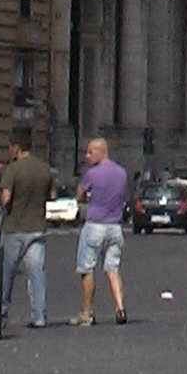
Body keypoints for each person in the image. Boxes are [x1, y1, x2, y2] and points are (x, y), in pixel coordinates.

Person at [0, 126, 56, 331]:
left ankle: (1, 315)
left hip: (14, 228)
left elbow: (5, 199)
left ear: (16, 148)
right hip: (37, 227)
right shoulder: (44, 169)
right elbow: (53, 195)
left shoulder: (12, 169)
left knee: (6, 274)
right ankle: (39, 316)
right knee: (36, 273)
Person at [72, 137, 129, 326]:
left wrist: (87, 196)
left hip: (95, 225)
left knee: (87, 268)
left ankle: (87, 312)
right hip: (115, 227)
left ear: (101, 152)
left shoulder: (92, 174)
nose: (87, 156)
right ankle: (120, 307)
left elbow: (79, 195)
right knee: (113, 268)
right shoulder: (122, 173)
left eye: (90, 152)